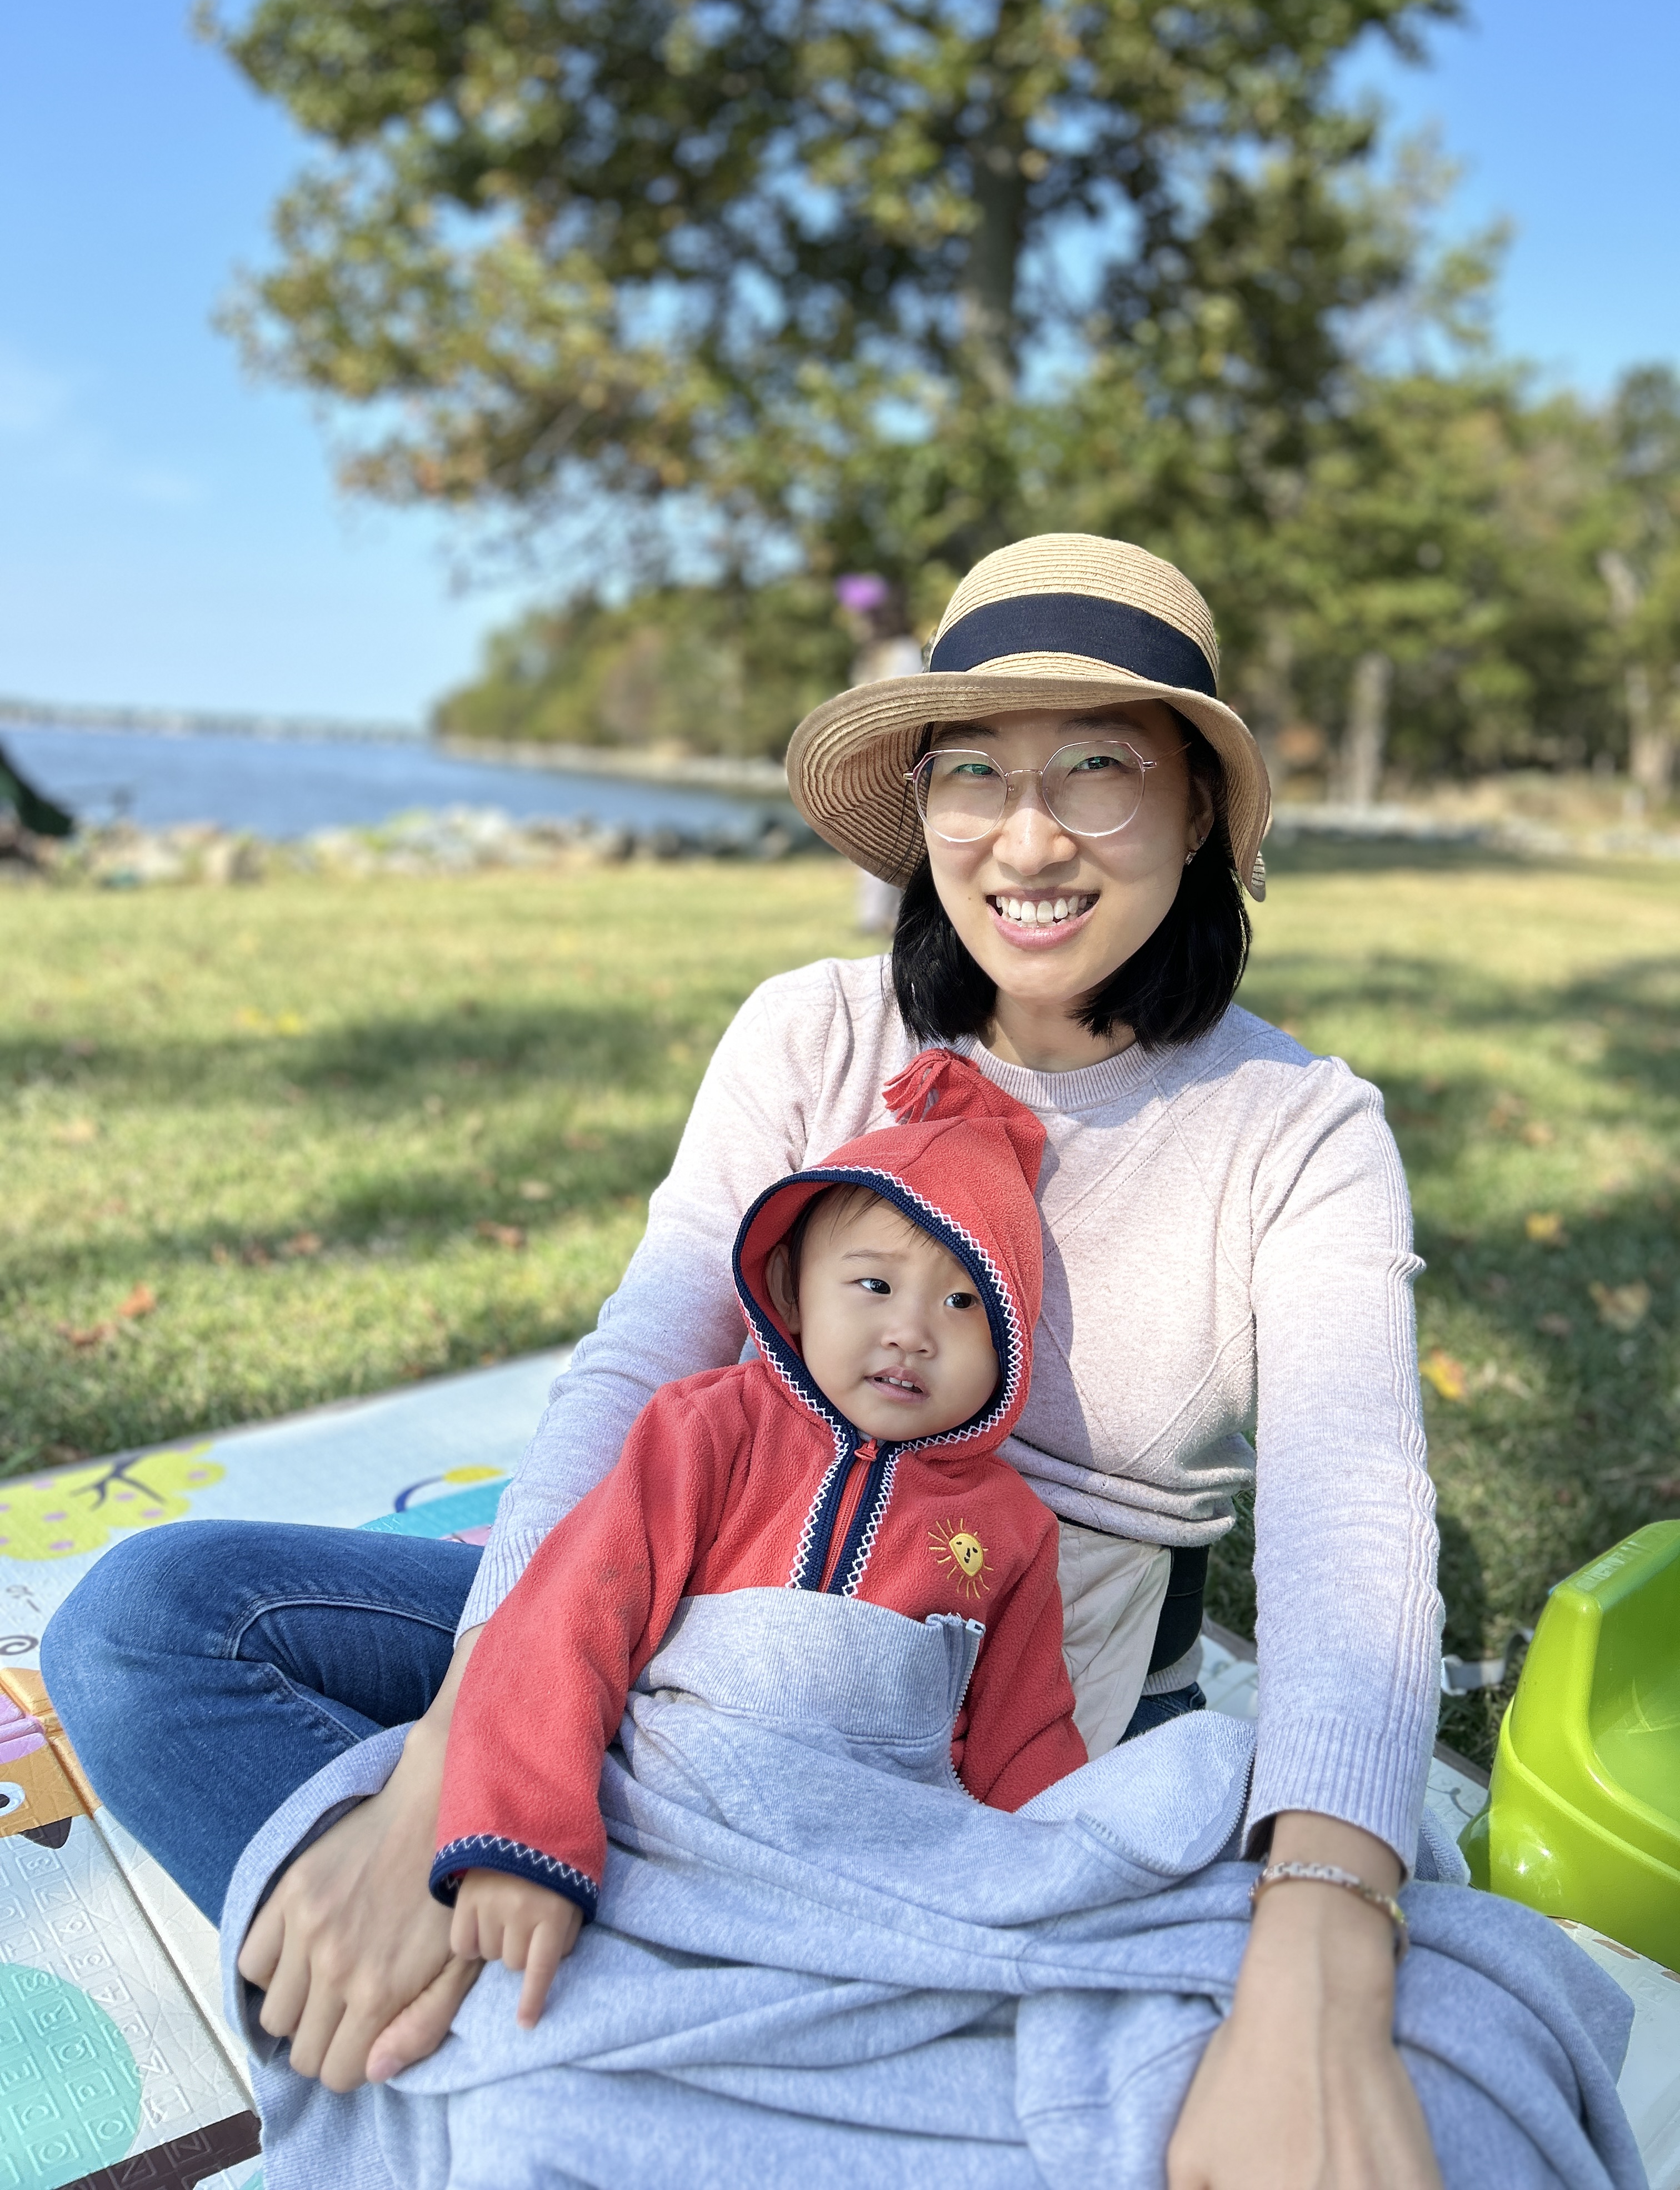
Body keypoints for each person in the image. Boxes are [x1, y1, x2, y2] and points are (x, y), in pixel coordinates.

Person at [43, 532, 1446, 2188]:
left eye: (1098, 768)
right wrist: (460, 1755)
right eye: (974, 771)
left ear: (1199, 809)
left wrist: (1325, 1947)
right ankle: (575, 2026)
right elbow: (645, 1356)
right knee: (145, 1624)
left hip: (997, 1722)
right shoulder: (813, 1032)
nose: (1029, 836)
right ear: (921, 806)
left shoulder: (1298, 1130)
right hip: (690, 1594)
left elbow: (1354, 1524)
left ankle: (575, 2072)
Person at [433, 1050, 1086, 2031]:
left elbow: (1024, 1737)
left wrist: (1062, 1895)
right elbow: (572, 1617)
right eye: (874, 1284)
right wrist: (522, 1834)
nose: (913, 1332)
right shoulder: (708, 1431)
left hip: (881, 1860)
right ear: (791, 1289)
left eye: (964, 1303)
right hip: (674, 1813)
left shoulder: (1010, 1529)